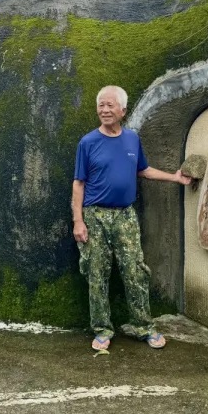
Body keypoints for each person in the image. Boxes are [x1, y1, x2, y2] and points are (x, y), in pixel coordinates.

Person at [72, 85, 191, 351]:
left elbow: (144, 171)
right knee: (97, 272)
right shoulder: (88, 142)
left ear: (123, 110)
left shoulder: (132, 140)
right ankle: (102, 329)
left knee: (135, 271)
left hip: (125, 215)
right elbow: (78, 184)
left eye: (110, 105)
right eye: (101, 105)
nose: (104, 110)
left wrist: (175, 177)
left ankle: (143, 326)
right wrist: (78, 221)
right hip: (95, 216)